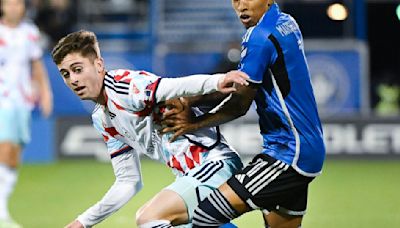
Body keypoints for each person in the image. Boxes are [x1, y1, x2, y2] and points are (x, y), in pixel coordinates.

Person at [50, 30, 249, 228]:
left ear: (99, 65)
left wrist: (218, 81)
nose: (72, 80)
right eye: (65, 74)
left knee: (149, 218)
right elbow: (128, 181)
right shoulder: (103, 119)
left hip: (214, 165)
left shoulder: (123, 86)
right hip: (190, 176)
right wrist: (83, 222)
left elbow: (173, 86)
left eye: (78, 69)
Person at [161, 0, 326, 227]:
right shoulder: (287, 22)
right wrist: (191, 100)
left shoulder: (259, 37)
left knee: (205, 216)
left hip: (287, 153)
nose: (241, 6)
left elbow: (239, 103)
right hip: (307, 147)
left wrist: (195, 121)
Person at [0, 0, 53, 227]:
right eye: (9, 3)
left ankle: (2, 206)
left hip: (22, 99)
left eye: (17, 3)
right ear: (2, 7)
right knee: (6, 146)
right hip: (2, 98)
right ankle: (1, 212)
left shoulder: (30, 32)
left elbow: (37, 65)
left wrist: (46, 92)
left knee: (15, 153)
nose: (14, 8)